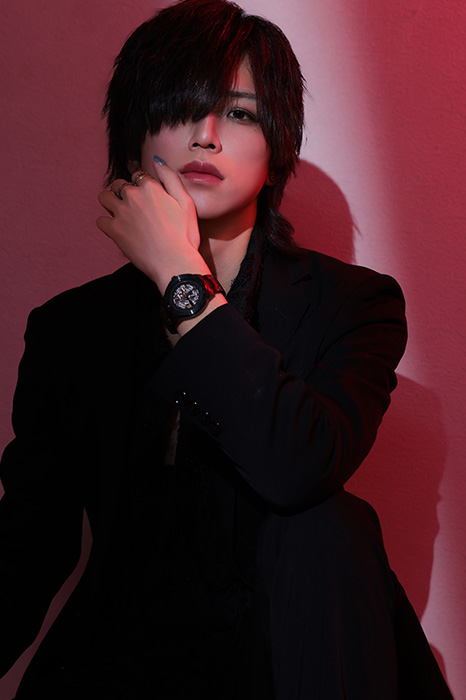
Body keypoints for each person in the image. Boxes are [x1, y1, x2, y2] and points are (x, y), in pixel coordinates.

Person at [0, 0, 454, 698]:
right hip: (128, 656)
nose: (206, 136)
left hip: (291, 651)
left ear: (275, 154)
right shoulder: (71, 329)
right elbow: (31, 543)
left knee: (329, 522)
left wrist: (181, 279)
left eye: (240, 114)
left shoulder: (353, 304)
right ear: (133, 140)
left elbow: (299, 467)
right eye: (183, 107)